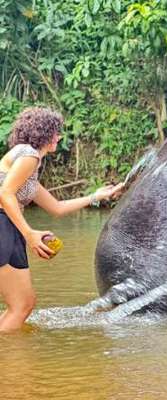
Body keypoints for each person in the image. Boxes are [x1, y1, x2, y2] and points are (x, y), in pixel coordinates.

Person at [0, 107, 124, 332]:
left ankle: (11, 359)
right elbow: (5, 194)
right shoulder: (29, 155)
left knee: (22, 305)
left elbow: (56, 208)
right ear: (44, 132)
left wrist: (97, 196)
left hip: (9, 228)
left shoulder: (30, 167)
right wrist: (30, 234)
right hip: (3, 226)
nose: (59, 136)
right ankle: (9, 361)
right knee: (21, 306)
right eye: (56, 132)